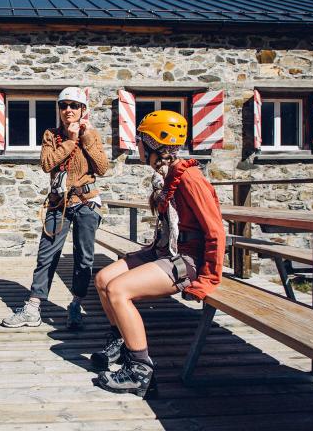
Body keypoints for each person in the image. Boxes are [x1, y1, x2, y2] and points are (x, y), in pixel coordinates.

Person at [92, 110, 225, 397]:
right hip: (164, 251)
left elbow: (216, 230)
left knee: (118, 290)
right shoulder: (166, 175)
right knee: (103, 279)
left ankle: (140, 371)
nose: (136, 145)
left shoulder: (190, 178)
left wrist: (208, 279)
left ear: (153, 143)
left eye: (140, 139)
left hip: (187, 261)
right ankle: (122, 342)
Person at [2, 87, 108, 330]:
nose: (68, 110)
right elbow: (47, 163)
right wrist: (70, 141)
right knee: (46, 255)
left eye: (73, 105)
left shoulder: (92, 135)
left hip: (85, 203)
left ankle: (75, 306)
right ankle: (33, 307)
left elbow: (102, 168)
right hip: (58, 203)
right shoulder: (52, 135)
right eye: (63, 105)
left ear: (83, 110)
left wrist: (86, 139)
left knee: (84, 259)